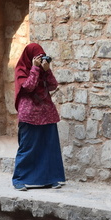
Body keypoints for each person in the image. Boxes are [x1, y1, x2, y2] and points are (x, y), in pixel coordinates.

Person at [12, 42, 66, 191]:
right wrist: (35, 68)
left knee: (49, 146)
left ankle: (52, 178)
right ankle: (20, 180)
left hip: (46, 113)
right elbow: (29, 86)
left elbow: (53, 86)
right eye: (37, 57)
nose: (40, 60)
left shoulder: (43, 69)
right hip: (29, 113)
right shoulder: (21, 70)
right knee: (28, 146)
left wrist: (47, 71)